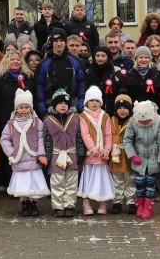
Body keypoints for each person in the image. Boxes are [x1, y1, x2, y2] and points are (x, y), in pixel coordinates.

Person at [0, 49, 35, 191]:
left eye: (18, 59)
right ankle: (8, 182)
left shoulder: (28, 78)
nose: (15, 61)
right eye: (12, 59)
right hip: (6, 120)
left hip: (26, 121)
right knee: (10, 151)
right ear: (6, 62)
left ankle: (25, 184)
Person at [1, 88, 49, 216]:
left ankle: (33, 204)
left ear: (31, 108)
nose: (23, 110)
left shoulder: (37, 122)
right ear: (16, 108)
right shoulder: (11, 124)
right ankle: (24, 204)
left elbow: (41, 138)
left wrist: (41, 153)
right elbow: (4, 139)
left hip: (33, 159)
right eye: (21, 107)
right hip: (19, 159)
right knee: (23, 185)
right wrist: (11, 153)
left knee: (33, 184)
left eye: (26, 107)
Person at [124, 100, 160, 220]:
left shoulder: (159, 121)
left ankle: (148, 206)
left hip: (153, 157)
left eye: (147, 121)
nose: (145, 123)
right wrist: (132, 155)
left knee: (150, 183)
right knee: (139, 182)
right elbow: (127, 140)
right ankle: (139, 204)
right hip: (139, 156)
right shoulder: (132, 122)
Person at [44, 89, 84, 218]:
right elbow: (47, 140)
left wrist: (81, 154)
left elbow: (79, 137)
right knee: (57, 182)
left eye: (65, 103)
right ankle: (58, 206)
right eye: (60, 103)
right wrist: (47, 156)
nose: (63, 105)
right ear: (54, 105)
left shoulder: (76, 118)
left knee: (72, 182)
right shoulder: (48, 120)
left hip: (72, 155)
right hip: (56, 156)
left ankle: (69, 205)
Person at [78, 86, 116, 215]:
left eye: (97, 101)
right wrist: (92, 148)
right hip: (91, 155)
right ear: (86, 102)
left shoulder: (105, 116)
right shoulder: (83, 116)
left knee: (102, 180)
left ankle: (103, 203)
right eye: (91, 100)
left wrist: (107, 149)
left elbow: (108, 134)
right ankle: (86, 203)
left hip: (102, 156)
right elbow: (85, 134)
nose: (94, 103)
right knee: (88, 179)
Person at [37, 29, 85, 114]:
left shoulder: (77, 62)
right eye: (55, 41)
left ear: (65, 42)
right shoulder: (43, 64)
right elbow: (40, 86)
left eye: (61, 40)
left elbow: (82, 84)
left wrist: (80, 107)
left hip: (72, 107)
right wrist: (43, 110)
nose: (59, 44)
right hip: (50, 107)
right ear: (51, 42)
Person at [121, 46, 160, 115]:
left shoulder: (156, 73)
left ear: (150, 59)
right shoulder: (129, 74)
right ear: (136, 59)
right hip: (136, 112)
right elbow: (125, 95)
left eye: (146, 57)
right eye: (141, 57)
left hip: (154, 112)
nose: (143, 60)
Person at [108, 95, 135, 215]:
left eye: (125, 108)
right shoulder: (111, 120)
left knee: (130, 179)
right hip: (115, 155)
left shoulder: (134, 121)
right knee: (117, 179)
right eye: (119, 108)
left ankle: (131, 201)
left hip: (128, 154)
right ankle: (117, 201)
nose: (122, 110)